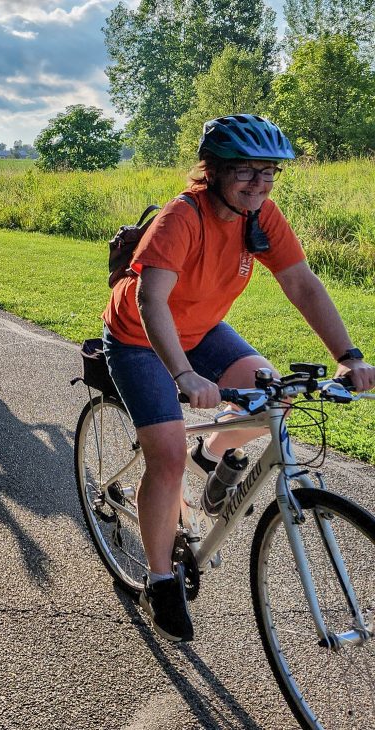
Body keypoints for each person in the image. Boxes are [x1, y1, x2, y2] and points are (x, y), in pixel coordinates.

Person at [101, 114, 375, 643]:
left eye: (269, 171)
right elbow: (149, 298)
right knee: (167, 457)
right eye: (246, 171)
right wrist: (181, 372)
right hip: (139, 335)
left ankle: (218, 456)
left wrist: (349, 354)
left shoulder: (262, 216)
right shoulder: (183, 217)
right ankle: (160, 580)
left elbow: (300, 282)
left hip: (202, 329)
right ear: (216, 170)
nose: (260, 183)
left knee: (277, 393)